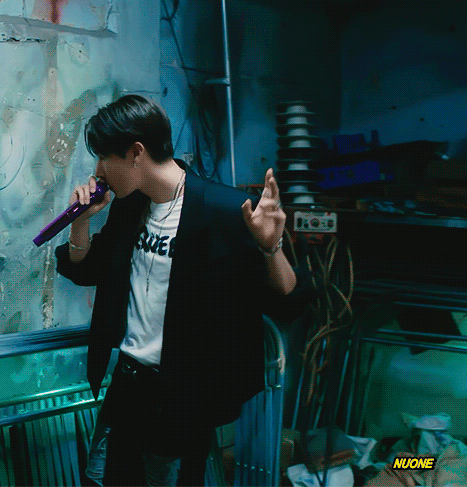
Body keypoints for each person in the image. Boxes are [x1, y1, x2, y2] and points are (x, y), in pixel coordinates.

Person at [55, 95, 314, 486]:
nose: (98, 170)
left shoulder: (226, 210)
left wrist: (270, 247)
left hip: (183, 394)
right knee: (102, 479)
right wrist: (81, 221)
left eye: (104, 157)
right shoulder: (130, 206)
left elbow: (289, 301)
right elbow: (87, 269)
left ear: (136, 152)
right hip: (128, 384)